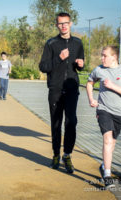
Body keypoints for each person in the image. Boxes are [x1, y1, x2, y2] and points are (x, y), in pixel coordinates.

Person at [39, 12, 84, 173]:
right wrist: (59, 58)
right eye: (60, 23)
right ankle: (56, 154)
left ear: (71, 23)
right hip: (55, 89)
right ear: (56, 25)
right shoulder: (51, 43)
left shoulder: (78, 43)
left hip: (72, 89)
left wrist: (81, 65)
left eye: (66, 23)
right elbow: (43, 67)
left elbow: (80, 64)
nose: (64, 26)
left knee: (71, 122)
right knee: (56, 124)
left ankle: (67, 154)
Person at [86, 45, 121, 189]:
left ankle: (103, 166)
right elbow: (89, 83)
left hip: (120, 113)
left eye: (104, 55)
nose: (101, 58)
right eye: (101, 55)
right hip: (103, 110)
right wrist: (91, 99)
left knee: (112, 144)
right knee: (107, 141)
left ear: (114, 57)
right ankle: (107, 175)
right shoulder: (99, 70)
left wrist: (113, 86)